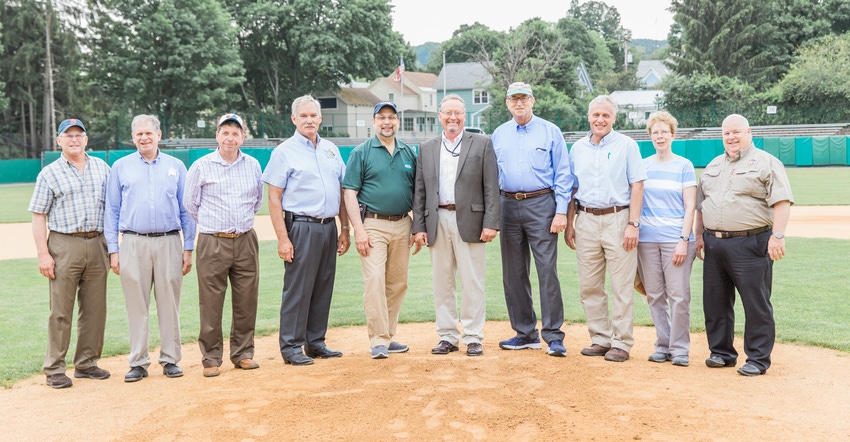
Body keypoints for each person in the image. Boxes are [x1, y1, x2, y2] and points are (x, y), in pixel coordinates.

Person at [695, 114, 794, 377]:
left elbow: (782, 201)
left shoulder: (766, 162)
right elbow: (701, 205)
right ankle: (721, 352)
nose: (731, 137)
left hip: (752, 242)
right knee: (715, 302)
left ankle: (758, 358)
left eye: (736, 132)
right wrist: (698, 236)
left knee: (755, 302)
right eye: (726, 133)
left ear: (749, 132)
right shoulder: (714, 165)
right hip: (714, 243)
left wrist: (778, 236)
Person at [105, 114, 196, 382]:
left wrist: (188, 246)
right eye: (138, 134)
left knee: (170, 304)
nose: (144, 137)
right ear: (133, 138)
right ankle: (138, 362)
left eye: (148, 133)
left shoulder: (176, 166)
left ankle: (170, 359)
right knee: (137, 306)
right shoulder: (120, 167)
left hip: (169, 241)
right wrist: (113, 249)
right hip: (133, 242)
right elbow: (111, 210)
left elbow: (186, 209)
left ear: (159, 134)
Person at [263, 95, 351, 366]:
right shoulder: (284, 151)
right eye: (303, 116)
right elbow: (274, 197)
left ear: (320, 118)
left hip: (328, 227)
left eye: (313, 115)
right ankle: (290, 346)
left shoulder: (331, 150)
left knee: (323, 284)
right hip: (301, 225)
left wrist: (344, 228)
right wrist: (283, 239)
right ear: (294, 119)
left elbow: (341, 190)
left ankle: (315, 342)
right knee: (298, 288)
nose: (309, 120)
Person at [412, 94, 500, 357]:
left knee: (472, 281)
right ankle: (447, 336)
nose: (453, 118)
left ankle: (473, 336)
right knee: (442, 281)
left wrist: (491, 222)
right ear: (439, 116)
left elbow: (491, 188)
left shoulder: (482, 143)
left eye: (457, 113)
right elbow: (419, 190)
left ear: (465, 116)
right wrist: (419, 226)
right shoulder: (427, 147)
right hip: (436, 219)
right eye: (447, 113)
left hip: (471, 220)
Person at [491, 82, 574, 357]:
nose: (519, 103)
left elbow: (563, 174)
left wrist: (561, 210)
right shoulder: (499, 134)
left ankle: (553, 336)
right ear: (507, 103)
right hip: (507, 204)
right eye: (513, 99)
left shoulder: (550, 131)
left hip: (542, 203)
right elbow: (492, 176)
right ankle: (525, 333)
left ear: (532, 100)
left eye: (523, 98)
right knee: (513, 272)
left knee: (546, 270)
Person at [29, 119, 112, 389]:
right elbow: (39, 215)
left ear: (86, 139)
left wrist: (113, 247)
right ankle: (54, 368)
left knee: (95, 308)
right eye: (68, 135)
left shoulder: (102, 168)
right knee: (61, 311)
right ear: (59, 141)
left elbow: (113, 209)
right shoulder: (49, 173)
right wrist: (43, 253)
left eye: (79, 135)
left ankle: (87, 363)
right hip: (65, 243)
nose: (74, 139)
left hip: (98, 241)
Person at [565, 95, 647, 363]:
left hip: (618, 218)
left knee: (622, 285)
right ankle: (600, 338)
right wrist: (569, 224)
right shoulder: (577, 148)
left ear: (614, 118)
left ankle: (621, 342)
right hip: (586, 219)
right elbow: (571, 190)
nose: (600, 120)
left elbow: (637, 185)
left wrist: (633, 224)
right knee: (589, 285)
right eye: (596, 115)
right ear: (588, 117)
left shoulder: (627, 145)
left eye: (606, 115)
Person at [184, 113, 263, 377]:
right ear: (217, 135)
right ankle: (211, 358)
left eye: (235, 132)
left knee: (246, 300)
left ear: (243, 136)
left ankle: (242, 353)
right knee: (210, 301)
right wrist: (213, 225)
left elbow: (257, 201)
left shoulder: (252, 165)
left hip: (245, 239)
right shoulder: (202, 165)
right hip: (212, 241)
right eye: (225, 132)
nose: (230, 137)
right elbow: (190, 204)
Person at [343, 101, 418, 359]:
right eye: (382, 117)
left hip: (403, 223)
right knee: (374, 280)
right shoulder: (361, 152)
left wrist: (417, 227)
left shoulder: (409, 153)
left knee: (397, 283)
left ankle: (388, 336)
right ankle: (377, 340)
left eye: (392, 117)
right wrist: (359, 230)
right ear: (374, 122)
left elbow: (418, 193)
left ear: (398, 121)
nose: (387, 122)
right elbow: (349, 192)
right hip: (372, 224)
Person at [636, 111, 696, 367]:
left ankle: (680, 348)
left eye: (664, 132)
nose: (660, 136)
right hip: (647, 240)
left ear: (673, 135)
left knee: (679, 295)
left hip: (676, 239)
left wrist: (684, 239)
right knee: (654, 294)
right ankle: (662, 344)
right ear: (650, 136)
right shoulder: (644, 165)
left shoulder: (684, 165)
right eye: (655, 132)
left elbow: (690, 206)